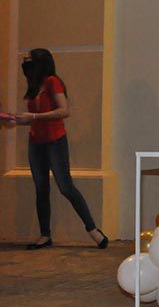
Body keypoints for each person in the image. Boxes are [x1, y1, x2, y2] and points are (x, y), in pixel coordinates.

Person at [14, 48, 107, 250]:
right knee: (41, 188)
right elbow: (33, 118)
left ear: (40, 63)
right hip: (35, 142)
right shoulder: (34, 86)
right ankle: (44, 234)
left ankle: (93, 230)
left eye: (30, 61)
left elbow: (64, 111)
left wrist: (34, 117)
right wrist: (17, 120)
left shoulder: (52, 81)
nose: (26, 65)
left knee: (65, 186)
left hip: (55, 141)